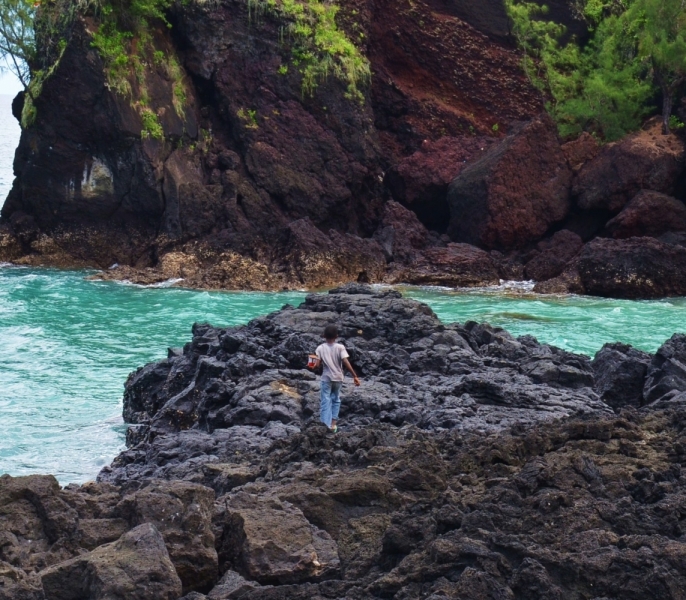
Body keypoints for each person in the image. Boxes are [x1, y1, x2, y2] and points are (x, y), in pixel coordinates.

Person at [314, 324, 360, 432]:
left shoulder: (320, 348)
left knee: (325, 400)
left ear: (324, 336)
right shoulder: (340, 347)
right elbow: (345, 362)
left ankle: (325, 425)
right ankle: (333, 425)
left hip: (326, 378)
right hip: (338, 378)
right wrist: (355, 376)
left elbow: (317, 364)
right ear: (336, 336)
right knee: (336, 400)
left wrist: (312, 365)